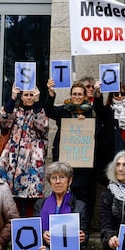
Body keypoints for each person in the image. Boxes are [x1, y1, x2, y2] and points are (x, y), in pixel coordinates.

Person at [45, 78, 97, 218]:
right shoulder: (63, 110)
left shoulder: (91, 112)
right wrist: (51, 93)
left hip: (83, 162)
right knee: (63, 190)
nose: (77, 97)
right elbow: (49, 111)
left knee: (82, 194)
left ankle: (82, 222)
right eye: (74, 94)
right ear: (70, 95)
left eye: (80, 94)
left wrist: (85, 121)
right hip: (64, 158)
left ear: (85, 96)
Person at [0, 85, 50, 216]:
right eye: (26, 95)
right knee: (9, 199)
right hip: (12, 159)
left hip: (31, 161)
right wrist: (13, 98)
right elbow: (2, 121)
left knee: (30, 201)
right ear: (22, 97)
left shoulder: (39, 112)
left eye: (32, 95)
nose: (29, 98)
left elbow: (42, 126)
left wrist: (37, 103)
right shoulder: (15, 112)